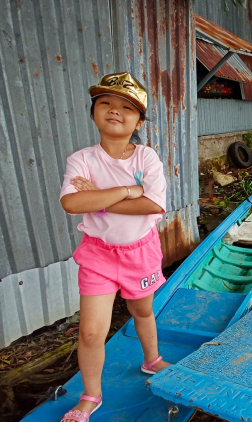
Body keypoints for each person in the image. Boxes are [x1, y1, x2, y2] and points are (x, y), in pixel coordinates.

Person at [58, 72, 170, 422]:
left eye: (126, 106)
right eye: (105, 103)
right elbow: (71, 204)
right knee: (91, 331)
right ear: (93, 112)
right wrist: (126, 191)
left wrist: (96, 197)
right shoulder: (81, 159)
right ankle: (91, 396)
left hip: (140, 252)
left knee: (142, 312)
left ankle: (151, 359)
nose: (114, 111)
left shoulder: (146, 158)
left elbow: (154, 204)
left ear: (138, 119)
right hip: (98, 255)